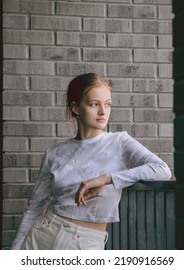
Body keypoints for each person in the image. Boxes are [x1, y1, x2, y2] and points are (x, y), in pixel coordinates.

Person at [11, 73, 172, 250]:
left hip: (86, 244)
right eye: (94, 104)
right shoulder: (55, 152)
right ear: (76, 108)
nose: (103, 111)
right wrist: (14, 252)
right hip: (41, 237)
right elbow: (35, 207)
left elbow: (161, 169)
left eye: (108, 104)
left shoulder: (119, 142)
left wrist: (106, 178)